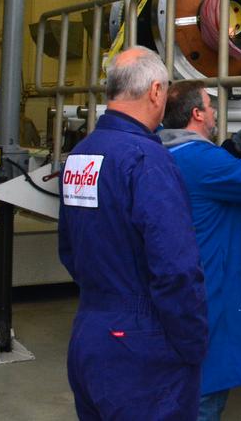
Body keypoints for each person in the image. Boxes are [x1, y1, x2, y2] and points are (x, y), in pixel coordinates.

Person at [58, 47, 208, 421]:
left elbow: (69, 250)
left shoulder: (82, 154)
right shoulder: (147, 161)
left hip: (89, 334)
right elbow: (175, 269)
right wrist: (192, 344)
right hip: (140, 349)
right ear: (156, 91)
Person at [159, 81, 241, 421]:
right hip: (210, 295)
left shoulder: (162, 151)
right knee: (203, 398)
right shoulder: (203, 161)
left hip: (177, 292)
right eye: (210, 105)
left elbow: (215, 187)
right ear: (196, 114)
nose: (216, 111)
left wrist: (234, 147)